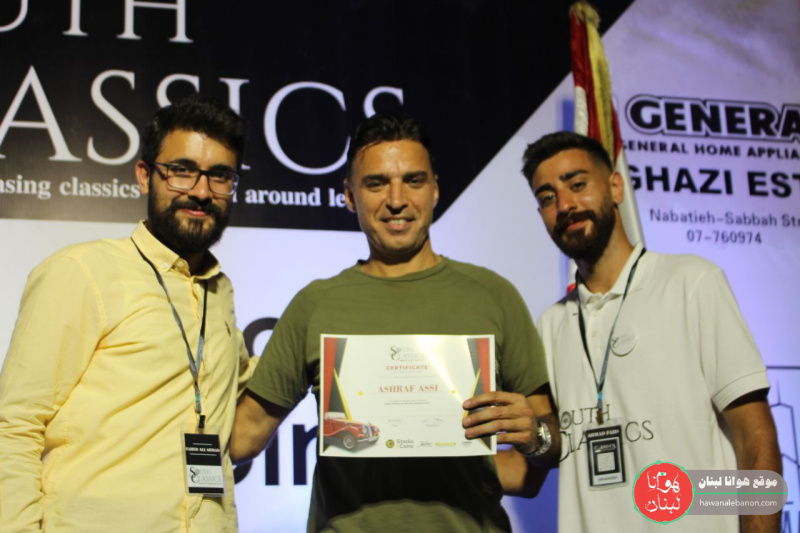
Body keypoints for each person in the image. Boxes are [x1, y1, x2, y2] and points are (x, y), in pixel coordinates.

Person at [231, 113, 559, 532]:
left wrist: (536, 437)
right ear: (349, 196)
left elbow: (537, 461)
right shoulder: (316, 305)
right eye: (377, 183)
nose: (397, 200)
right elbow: (242, 438)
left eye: (414, 181)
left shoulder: (493, 296)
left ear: (435, 189)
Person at [0, 94, 256, 532]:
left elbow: (246, 407)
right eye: (182, 170)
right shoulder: (82, 272)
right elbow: (14, 427)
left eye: (219, 176)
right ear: (144, 175)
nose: (201, 191)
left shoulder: (219, 291)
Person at [521, 131, 781, 532]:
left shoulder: (691, 282)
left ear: (615, 187)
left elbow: (755, 435)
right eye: (547, 197)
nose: (565, 205)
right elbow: (541, 456)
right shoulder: (550, 325)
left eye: (577, 184)